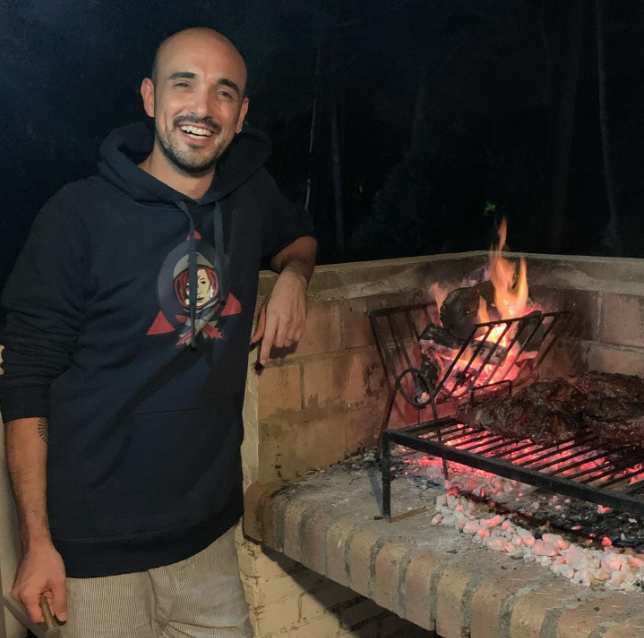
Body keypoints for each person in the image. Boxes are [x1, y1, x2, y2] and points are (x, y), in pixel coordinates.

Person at [0, 27, 316, 638]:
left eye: (224, 92)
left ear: (242, 113)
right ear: (149, 97)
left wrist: (295, 277)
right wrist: (36, 542)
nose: (203, 108)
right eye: (183, 84)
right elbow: (26, 383)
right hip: (94, 553)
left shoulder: (249, 193)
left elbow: (298, 237)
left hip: (207, 537)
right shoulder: (76, 217)